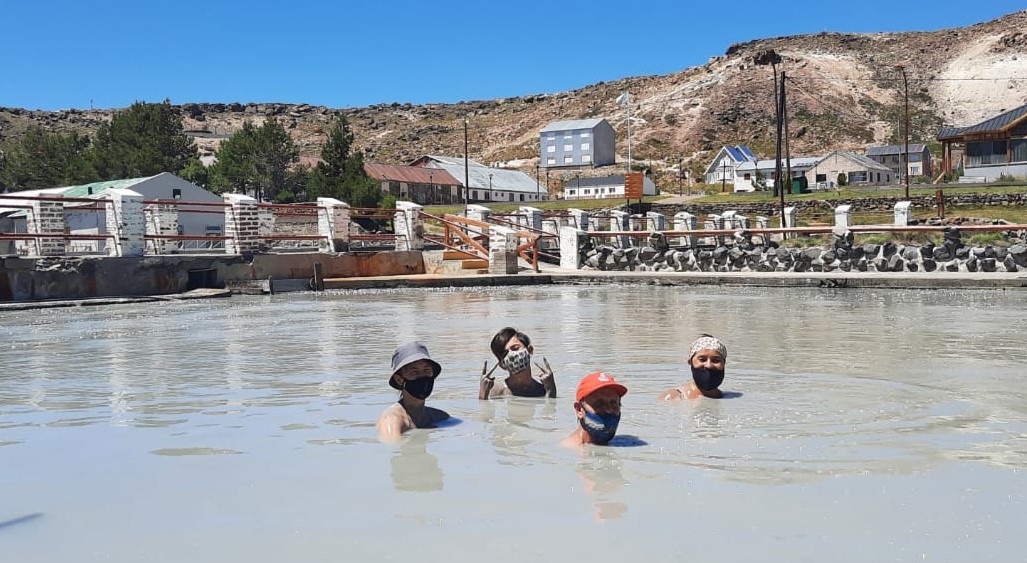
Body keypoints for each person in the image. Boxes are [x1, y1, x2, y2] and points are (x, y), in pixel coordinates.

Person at [376, 341, 449, 441]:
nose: (422, 377)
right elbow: (392, 449)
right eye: (414, 372)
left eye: (427, 370)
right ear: (399, 379)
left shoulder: (439, 416)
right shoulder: (392, 421)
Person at [479, 327, 556, 400]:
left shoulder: (543, 390)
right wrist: (483, 395)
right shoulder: (495, 391)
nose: (511, 355)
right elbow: (484, 411)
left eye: (515, 348)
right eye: (505, 354)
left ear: (530, 350)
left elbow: (550, 409)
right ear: (502, 365)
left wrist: (551, 391)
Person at [563, 371, 628, 447]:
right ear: (579, 410)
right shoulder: (569, 450)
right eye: (599, 404)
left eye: (613, 404)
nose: (609, 410)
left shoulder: (625, 443)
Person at [660, 334, 727, 400]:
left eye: (716, 360)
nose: (708, 365)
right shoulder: (673, 397)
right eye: (702, 359)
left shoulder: (731, 397)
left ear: (724, 363)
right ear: (690, 362)